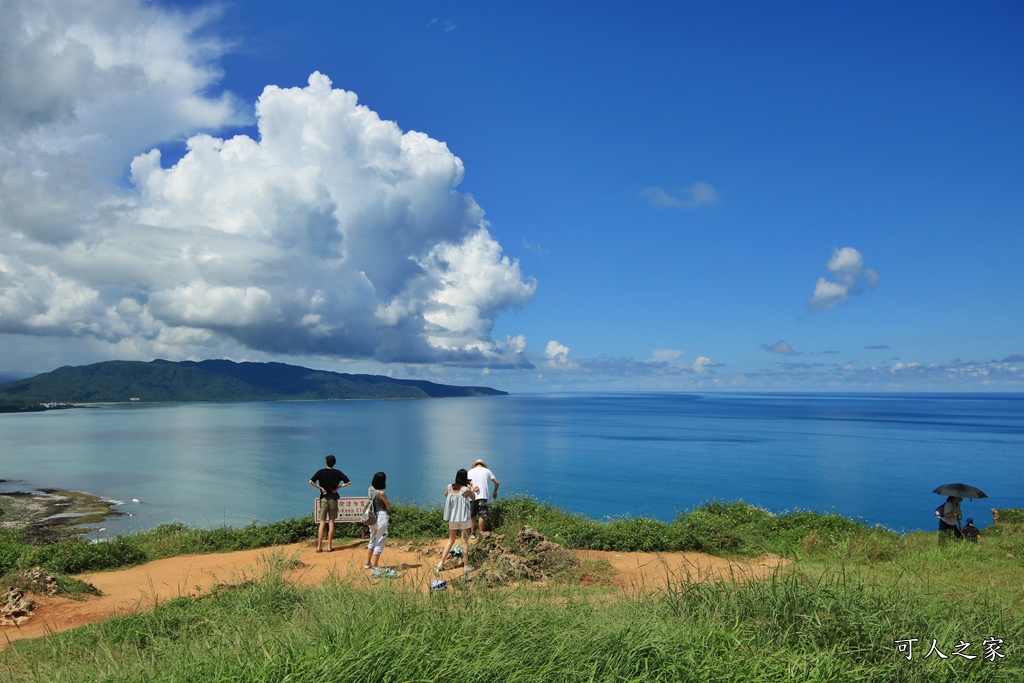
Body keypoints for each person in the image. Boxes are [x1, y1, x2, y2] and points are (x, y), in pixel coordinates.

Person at [309, 454, 351, 552]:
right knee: (331, 522)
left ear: (326, 462)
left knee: (322, 522)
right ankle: (329, 547)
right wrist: (338, 488)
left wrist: (321, 488)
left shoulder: (321, 472)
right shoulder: (338, 473)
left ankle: (319, 547)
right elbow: (348, 482)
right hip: (333, 499)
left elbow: (311, 481)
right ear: (334, 463)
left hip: (324, 498)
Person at [438, 468, 475, 577]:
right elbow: (473, 497)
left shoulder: (449, 487)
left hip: (452, 518)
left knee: (450, 540)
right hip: (464, 519)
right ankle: (466, 566)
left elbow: (446, 495)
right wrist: (471, 487)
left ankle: (441, 563)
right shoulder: (465, 490)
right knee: (464, 542)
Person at [364, 471, 399, 577]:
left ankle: (368, 563)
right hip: (381, 518)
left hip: (372, 518)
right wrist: (387, 502)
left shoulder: (370, 489)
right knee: (380, 541)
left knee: (372, 540)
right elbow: (388, 507)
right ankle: (375, 565)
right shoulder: (381, 493)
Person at [468, 458, 499, 539]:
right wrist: (495, 492)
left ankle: (472, 533)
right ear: (482, 465)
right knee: (482, 515)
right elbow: (497, 482)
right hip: (483, 496)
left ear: (475, 465)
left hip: (472, 496)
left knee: (472, 516)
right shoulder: (487, 471)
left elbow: (467, 485)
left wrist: (472, 488)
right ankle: (481, 533)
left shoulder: (470, 472)